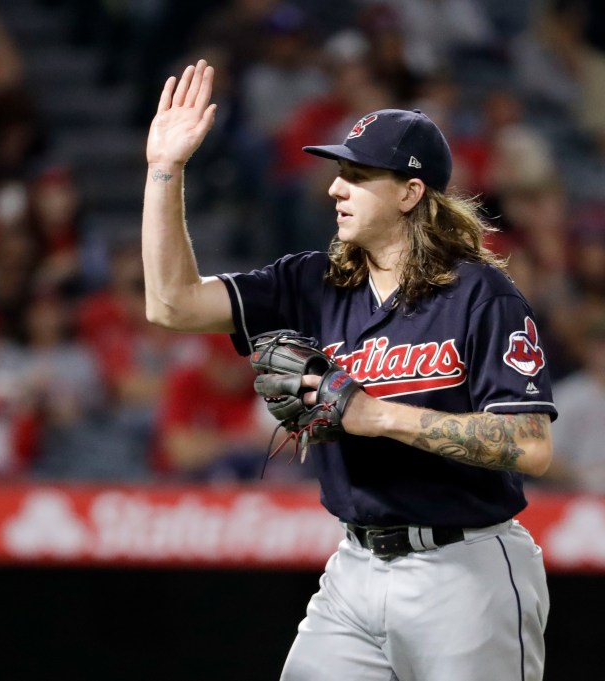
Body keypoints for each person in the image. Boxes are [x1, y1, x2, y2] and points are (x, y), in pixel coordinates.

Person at [142, 59, 555, 680]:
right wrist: (164, 171)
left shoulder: (481, 296)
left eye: (358, 175)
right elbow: (172, 303)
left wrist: (374, 415)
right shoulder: (313, 281)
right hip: (354, 569)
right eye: (339, 172)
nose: (336, 187)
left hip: (466, 570)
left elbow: (530, 445)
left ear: (411, 193)